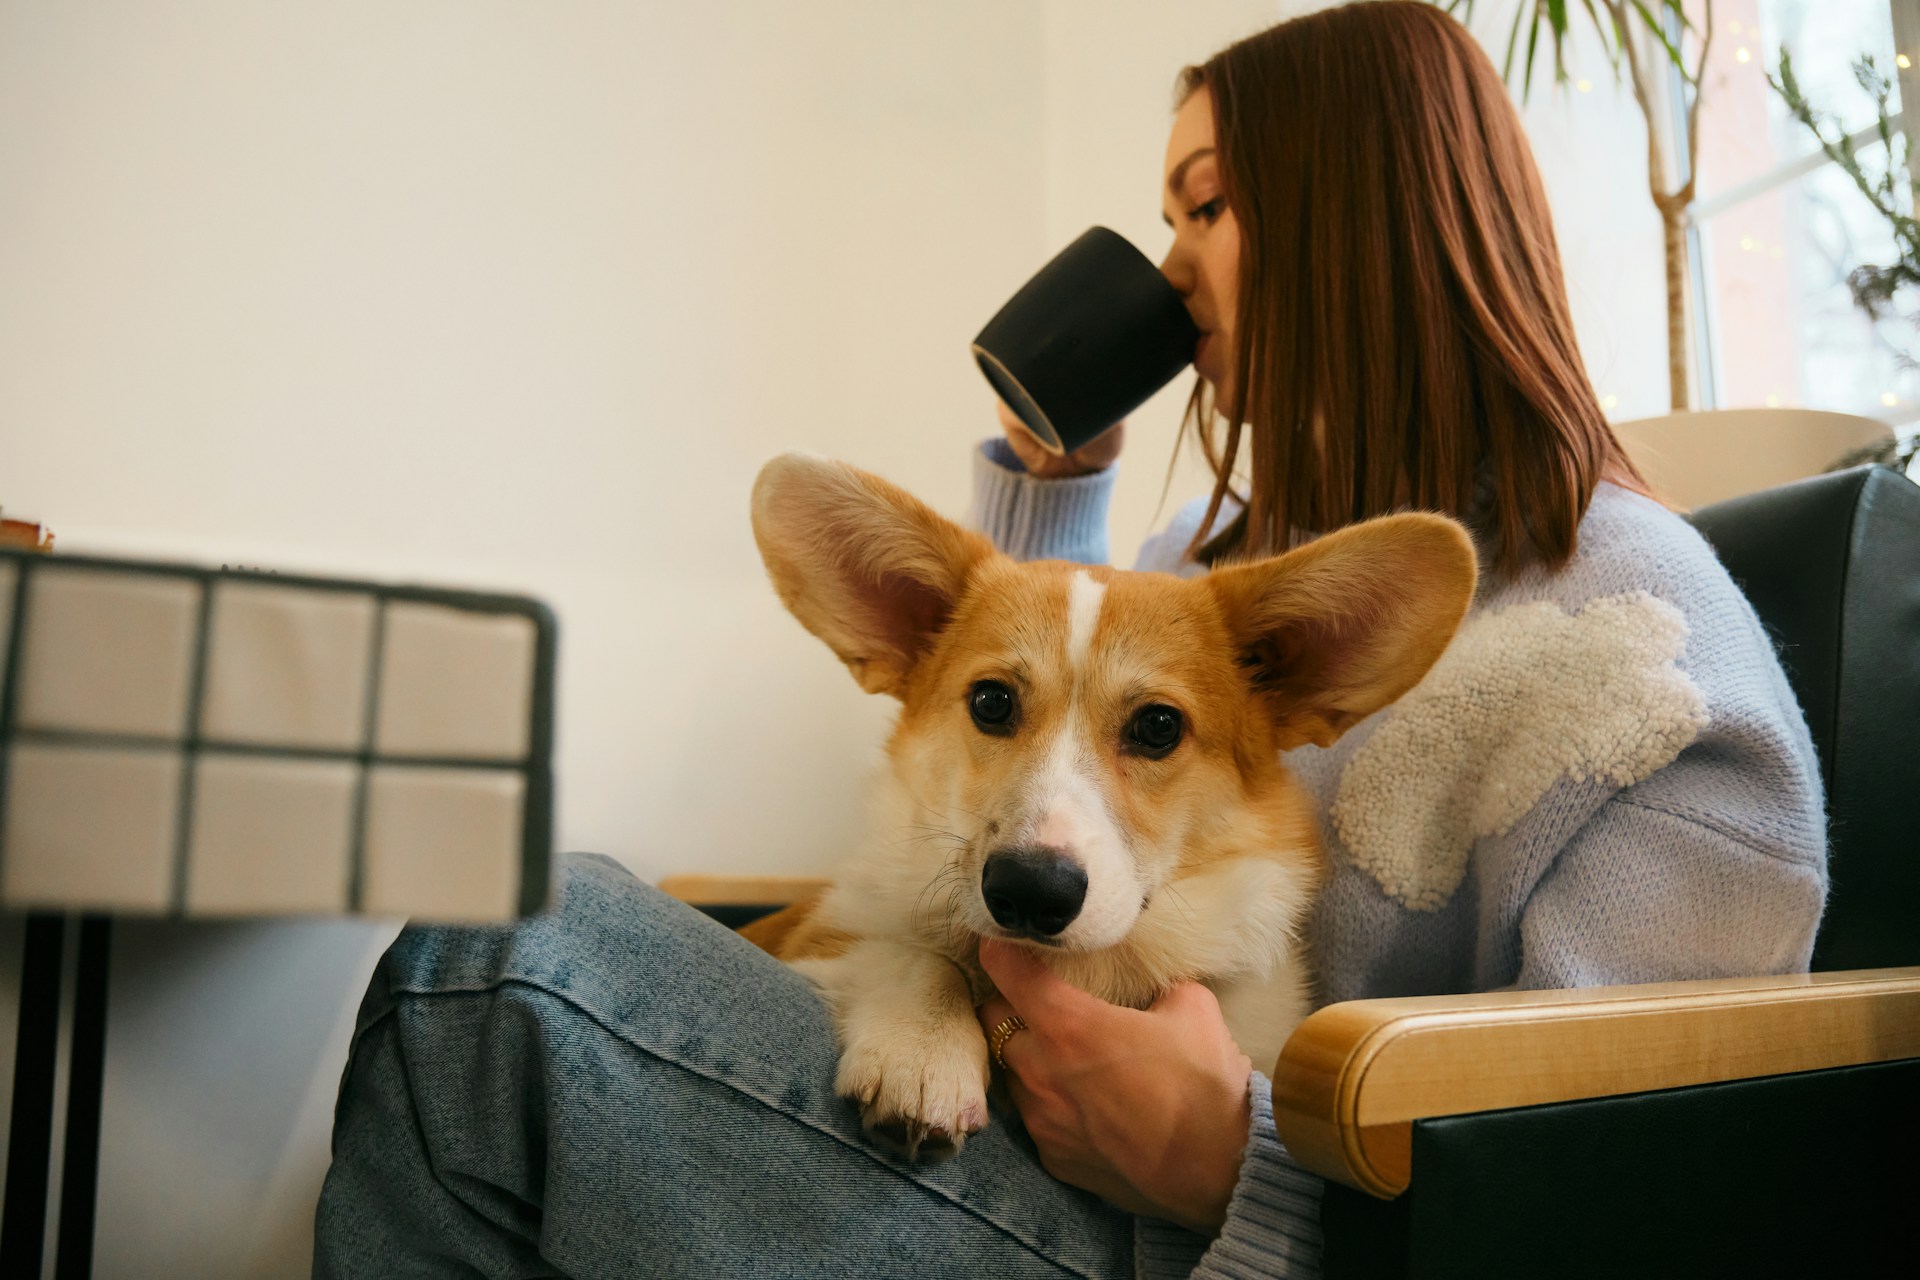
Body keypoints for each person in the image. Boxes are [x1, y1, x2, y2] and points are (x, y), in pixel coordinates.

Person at [312, 4, 1827, 1277]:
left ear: (1363, 215)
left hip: (1216, 1243)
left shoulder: (1645, 658)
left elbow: (1640, 1199)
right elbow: (1044, 733)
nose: (1167, 270)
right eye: (1166, 218)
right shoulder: (1205, 566)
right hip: (1042, 1151)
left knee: (496, 978)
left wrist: (1228, 1166)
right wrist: (1047, 500)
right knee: (520, 938)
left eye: (1209, 207)